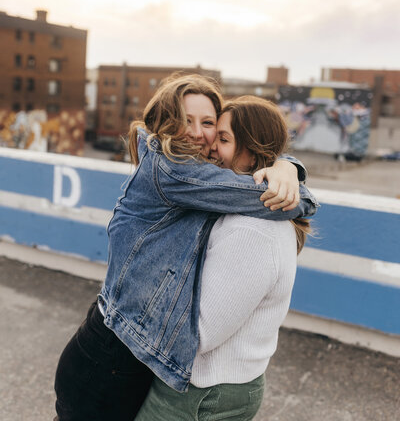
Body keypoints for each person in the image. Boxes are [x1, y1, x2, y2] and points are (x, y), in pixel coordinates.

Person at [54, 75, 318, 421]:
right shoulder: (172, 172)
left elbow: (253, 152)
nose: (198, 133)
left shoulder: (206, 181)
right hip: (108, 357)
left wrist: (284, 163)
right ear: (165, 124)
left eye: (209, 125)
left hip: (132, 356)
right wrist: (293, 180)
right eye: (185, 120)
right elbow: (272, 197)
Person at [134, 95, 313, 421]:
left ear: (253, 152)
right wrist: (288, 165)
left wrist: (135, 314)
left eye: (224, 139)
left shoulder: (252, 231)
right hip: (207, 384)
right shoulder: (239, 207)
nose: (211, 147)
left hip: (203, 390)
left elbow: (201, 333)